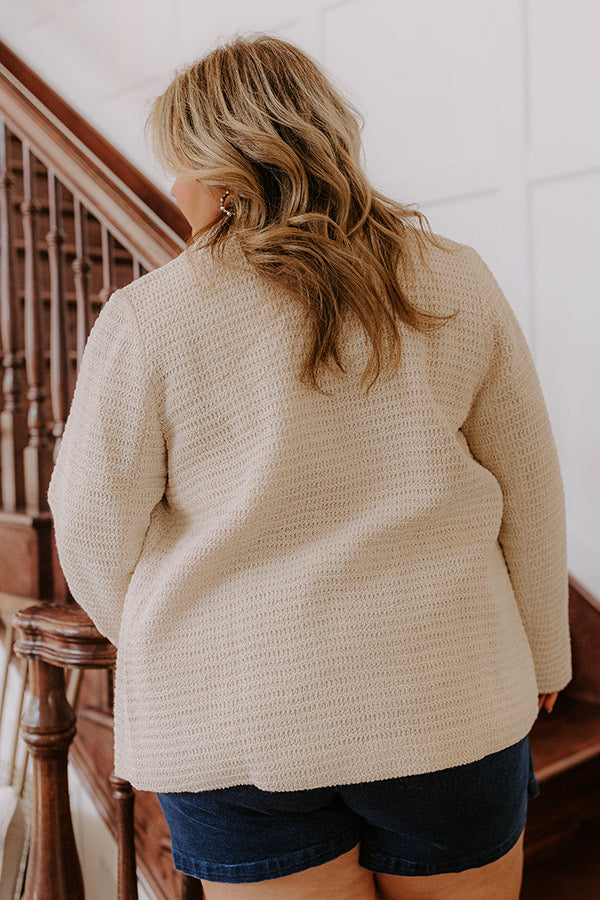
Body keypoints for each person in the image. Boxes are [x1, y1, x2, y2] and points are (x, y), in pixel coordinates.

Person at [47, 33, 571, 900]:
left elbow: (92, 533)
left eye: (179, 167)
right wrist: (545, 658)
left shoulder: (150, 318)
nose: (175, 191)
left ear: (218, 171)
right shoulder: (455, 278)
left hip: (236, 724)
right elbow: (532, 490)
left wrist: (169, 642)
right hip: (447, 696)